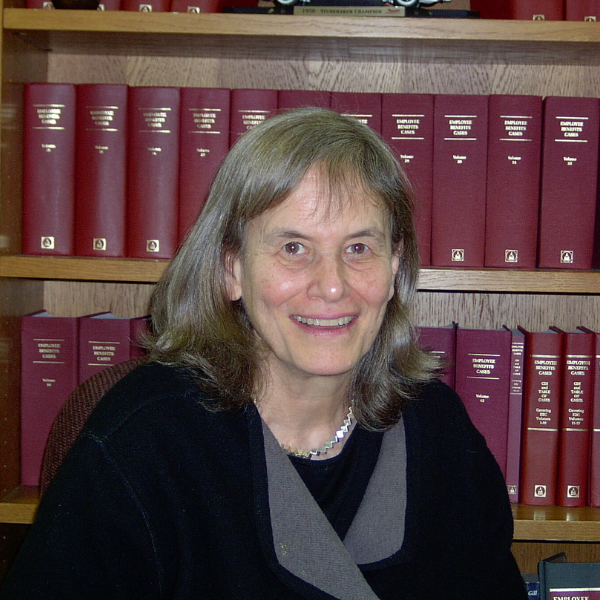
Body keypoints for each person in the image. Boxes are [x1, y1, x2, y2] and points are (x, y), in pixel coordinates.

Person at [1, 107, 527, 599]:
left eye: (359, 248)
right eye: (293, 248)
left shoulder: (439, 428)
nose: (332, 286)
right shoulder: (143, 443)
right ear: (232, 269)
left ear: (395, 268)